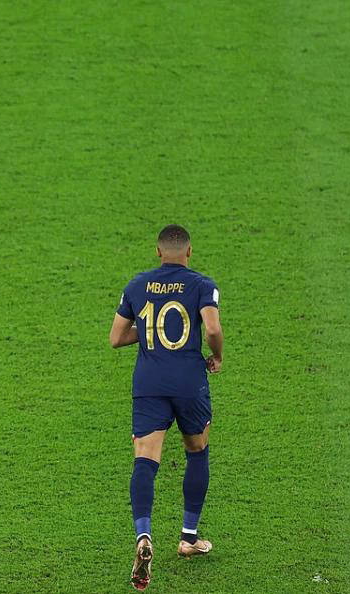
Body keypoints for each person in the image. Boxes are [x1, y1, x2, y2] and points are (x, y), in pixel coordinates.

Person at [109, 224, 223, 591]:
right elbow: (212, 329)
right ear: (189, 251)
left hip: (149, 384)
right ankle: (188, 537)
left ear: (158, 252)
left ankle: (143, 535)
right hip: (189, 382)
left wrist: (147, 333)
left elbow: (116, 338)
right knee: (197, 450)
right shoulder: (202, 284)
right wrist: (217, 355)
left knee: (145, 460)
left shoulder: (137, 285)